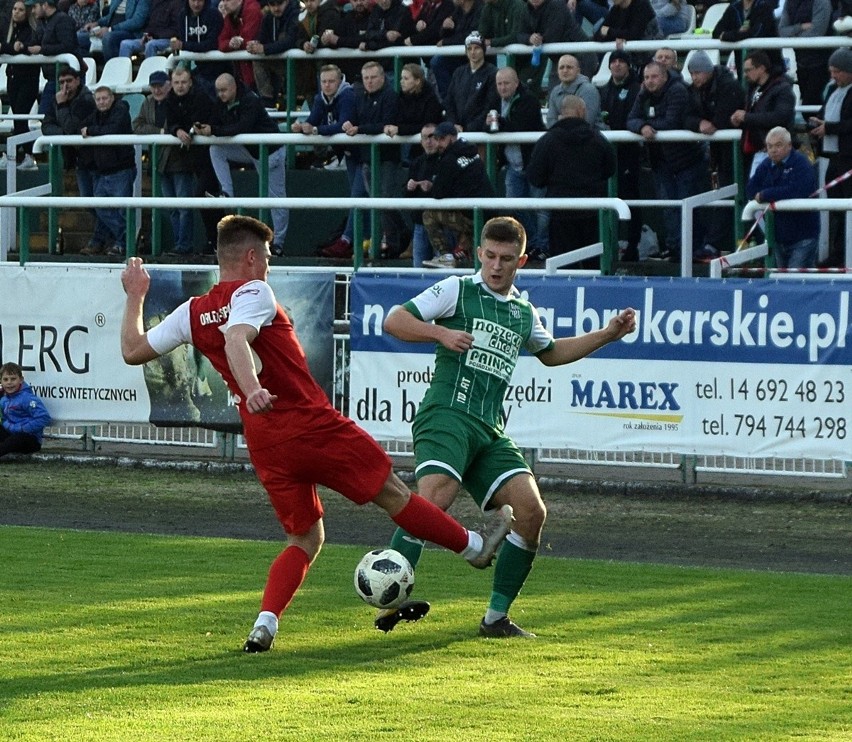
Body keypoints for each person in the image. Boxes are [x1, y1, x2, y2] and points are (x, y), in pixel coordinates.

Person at [119, 214, 513, 651]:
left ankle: (265, 623)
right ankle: (474, 546)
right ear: (251, 258)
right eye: (266, 258)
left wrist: (136, 295)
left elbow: (133, 350)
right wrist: (252, 389)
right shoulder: (254, 291)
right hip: (311, 424)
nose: (268, 267)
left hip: (266, 443)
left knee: (305, 537)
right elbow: (236, 338)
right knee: (394, 494)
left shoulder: (193, 312)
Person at [381, 216, 637, 637]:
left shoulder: (523, 311)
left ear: (521, 260)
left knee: (532, 512)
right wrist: (440, 334)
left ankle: (496, 619)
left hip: (489, 429)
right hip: (447, 413)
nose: (496, 266)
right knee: (434, 497)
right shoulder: (456, 289)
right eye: (490, 256)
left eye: (506, 259)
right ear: (479, 253)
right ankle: (390, 597)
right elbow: (395, 320)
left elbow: (551, 353)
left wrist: (608, 334)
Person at [194, 73, 289, 256]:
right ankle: (227, 192)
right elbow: (215, 121)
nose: (220, 95)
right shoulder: (222, 102)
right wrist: (202, 127)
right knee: (216, 148)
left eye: (224, 90)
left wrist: (213, 130)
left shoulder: (250, 101)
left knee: (276, 199)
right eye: (218, 91)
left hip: (270, 153)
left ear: (234, 87)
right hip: (251, 151)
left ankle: (279, 243)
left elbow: (241, 127)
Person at [627, 60, 706, 262]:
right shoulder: (644, 93)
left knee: (688, 207)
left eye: (654, 77)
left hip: (686, 161)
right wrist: (642, 126)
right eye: (646, 77)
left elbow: (671, 122)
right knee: (669, 208)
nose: (650, 81)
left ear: (664, 76)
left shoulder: (678, 90)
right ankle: (675, 250)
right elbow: (631, 120)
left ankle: (691, 251)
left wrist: (645, 125)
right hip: (661, 162)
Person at [527, 95, 616, 261]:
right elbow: (610, 169)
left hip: (561, 212)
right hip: (593, 210)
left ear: (561, 114)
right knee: (595, 267)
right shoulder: (598, 139)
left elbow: (535, 177)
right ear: (582, 111)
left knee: (563, 268)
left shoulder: (548, 141)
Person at [479, 66, 548, 260]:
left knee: (541, 208)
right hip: (512, 165)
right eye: (499, 83)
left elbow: (520, 127)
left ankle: (543, 246)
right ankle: (534, 243)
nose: (502, 87)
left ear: (516, 83)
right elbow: (484, 125)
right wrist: (489, 123)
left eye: (506, 83)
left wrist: (499, 122)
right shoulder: (494, 101)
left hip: (534, 163)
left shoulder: (529, 100)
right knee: (514, 206)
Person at [340, 60, 407, 259]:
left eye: (373, 77)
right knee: (376, 203)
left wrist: (359, 129)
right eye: (366, 78)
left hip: (386, 158)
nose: (369, 81)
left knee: (384, 201)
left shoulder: (390, 97)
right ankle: (397, 239)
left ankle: (396, 241)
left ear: (382, 77)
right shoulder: (361, 97)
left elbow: (385, 123)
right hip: (367, 157)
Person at [41, 65, 108, 255]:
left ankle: (105, 240)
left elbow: (73, 129)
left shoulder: (86, 100)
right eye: (61, 82)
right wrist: (63, 129)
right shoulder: (59, 99)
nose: (65, 86)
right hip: (79, 161)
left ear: (78, 80)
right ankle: (104, 239)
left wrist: (61, 107)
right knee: (90, 203)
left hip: (95, 160)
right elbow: (46, 126)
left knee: (99, 204)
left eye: (69, 81)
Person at [133, 69, 195, 257]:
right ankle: (179, 245)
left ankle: (184, 246)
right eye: (154, 86)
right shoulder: (147, 103)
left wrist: (165, 132)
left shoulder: (177, 102)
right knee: (172, 207)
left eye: (161, 86)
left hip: (180, 160)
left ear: (169, 85)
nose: (157, 90)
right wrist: (160, 132)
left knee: (184, 207)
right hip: (160, 162)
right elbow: (137, 125)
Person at [421, 120, 496, 268]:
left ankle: (446, 256)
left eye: (442, 139)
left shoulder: (449, 159)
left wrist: (432, 186)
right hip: (487, 214)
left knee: (428, 215)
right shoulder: (471, 152)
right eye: (436, 139)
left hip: (471, 217)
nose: (438, 143)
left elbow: (438, 193)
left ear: (452, 138)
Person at [162, 64, 220, 255]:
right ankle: (213, 242)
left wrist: (190, 130)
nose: (180, 86)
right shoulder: (169, 100)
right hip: (189, 159)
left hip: (210, 157)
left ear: (190, 82)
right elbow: (171, 122)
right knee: (200, 199)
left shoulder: (201, 98)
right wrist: (177, 130)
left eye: (183, 82)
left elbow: (204, 120)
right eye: (176, 82)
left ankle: (216, 241)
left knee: (205, 197)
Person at [745, 126, 820, 268]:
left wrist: (765, 194)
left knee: (795, 283)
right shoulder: (766, 164)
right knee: (780, 281)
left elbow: (798, 190)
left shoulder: (801, 163)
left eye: (778, 145)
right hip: (778, 237)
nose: (773, 150)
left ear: (789, 146)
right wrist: (767, 194)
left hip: (803, 236)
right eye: (770, 146)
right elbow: (750, 189)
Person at [808, 48, 852, 268]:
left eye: (837, 71)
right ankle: (838, 252)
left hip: (848, 160)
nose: (833, 76)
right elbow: (826, 115)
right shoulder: (833, 90)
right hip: (834, 159)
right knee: (836, 210)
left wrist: (830, 128)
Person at [81, 85, 136, 257]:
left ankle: (123, 242)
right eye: (98, 99)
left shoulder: (120, 110)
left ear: (112, 98)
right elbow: (81, 125)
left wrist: (91, 131)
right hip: (102, 171)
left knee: (120, 209)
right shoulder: (95, 115)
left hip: (121, 169)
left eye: (105, 98)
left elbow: (114, 128)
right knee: (101, 208)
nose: (102, 102)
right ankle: (124, 240)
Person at [599, 49, 642, 261]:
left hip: (631, 154)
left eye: (621, 61)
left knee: (632, 199)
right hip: (608, 153)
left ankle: (633, 245)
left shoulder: (636, 89)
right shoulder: (604, 90)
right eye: (613, 61)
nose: (617, 65)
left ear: (628, 65)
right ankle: (609, 244)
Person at [730, 50, 796, 177]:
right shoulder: (753, 89)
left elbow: (780, 117)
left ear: (761, 68)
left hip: (775, 153)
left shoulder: (782, 89)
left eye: (748, 70)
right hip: (756, 151)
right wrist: (739, 121)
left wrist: (746, 117)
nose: (745, 75)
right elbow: (755, 118)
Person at [1, 0, 40, 171]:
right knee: (17, 117)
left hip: (28, 80)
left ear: (27, 12)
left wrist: (11, 47)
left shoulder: (31, 30)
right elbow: (10, 47)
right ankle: (18, 156)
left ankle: (25, 155)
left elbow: (25, 48)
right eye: (15, 9)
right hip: (12, 77)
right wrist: (11, 47)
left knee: (20, 118)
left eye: (20, 10)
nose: (16, 12)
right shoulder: (9, 30)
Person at [245, 0, 299, 107]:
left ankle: (267, 100)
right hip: (281, 65)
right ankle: (266, 100)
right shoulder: (268, 18)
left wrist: (264, 48)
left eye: (279, 4)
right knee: (257, 59)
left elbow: (290, 41)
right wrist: (255, 44)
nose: (276, 8)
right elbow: (262, 37)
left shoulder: (296, 15)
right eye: (272, 4)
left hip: (299, 67)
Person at [26, 0, 76, 115]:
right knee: (44, 115)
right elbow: (34, 43)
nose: (32, 11)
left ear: (45, 5)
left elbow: (68, 46)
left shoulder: (63, 20)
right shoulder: (42, 23)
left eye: (34, 7)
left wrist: (42, 50)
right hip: (52, 77)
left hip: (66, 78)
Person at [779, 0, 832, 106]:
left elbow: (817, 31)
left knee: (811, 103)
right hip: (801, 63)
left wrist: (793, 35)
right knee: (808, 105)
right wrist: (801, 27)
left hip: (822, 63)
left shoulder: (821, 2)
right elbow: (782, 31)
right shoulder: (789, 2)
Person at [168, 0, 226, 97]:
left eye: (199, 0)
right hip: (199, 68)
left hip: (219, 68)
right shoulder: (182, 16)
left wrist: (184, 45)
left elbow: (212, 44)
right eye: (193, 0)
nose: (196, 4)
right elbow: (183, 40)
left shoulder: (214, 14)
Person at [428, 0, 483, 103]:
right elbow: (444, 34)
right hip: (459, 58)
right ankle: (449, 102)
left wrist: (446, 42)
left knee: (438, 61)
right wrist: (445, 28)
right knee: (437, 62)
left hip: (477, 59)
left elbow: (472, 35)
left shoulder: (481, 10)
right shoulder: (457, 11)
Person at [443, 31, 496, 131]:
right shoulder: (458, 72)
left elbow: (490, 105)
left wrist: (470, 128)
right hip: (457, 130)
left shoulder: (492, 73)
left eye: (477, 48)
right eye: (469, 48)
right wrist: (453, 124)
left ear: (483, 50)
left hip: (479, 132)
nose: (473, 52)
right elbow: (449, 102)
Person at [404, 123, 441, 266]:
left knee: (444, 274)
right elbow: (406, 195)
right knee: (418, 271)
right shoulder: (417, 162)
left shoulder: (446, 160)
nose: (429, 142)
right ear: (421, 141)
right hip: (420, 224)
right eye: (425, 138)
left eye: (432, 137)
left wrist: (432, 187)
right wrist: (409, 187)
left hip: (441, 226)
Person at [712, 0, 782, 75]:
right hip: (742, 68)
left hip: (768, 68)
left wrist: (729, 35)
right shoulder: (734, 7)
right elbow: (716, 32)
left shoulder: (765, 7)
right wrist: (739, 33)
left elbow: (756, 33)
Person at [0, 362, 51, 460]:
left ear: (21, 380)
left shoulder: (27, 398)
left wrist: (22, 428)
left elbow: (44, 418)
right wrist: (9, 426)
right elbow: (3, 419)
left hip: (30, 439)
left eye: (13, 379)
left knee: (16, 439)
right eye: (5, 379)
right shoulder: (3, 400)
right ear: (1, 381)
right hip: (11, 434)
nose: (9, 382)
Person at [545, 53, 602, 129]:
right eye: (561, 68)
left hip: (591, 137)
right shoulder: (555, 91)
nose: (565, 71)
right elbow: (550, 121)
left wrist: (561, 120)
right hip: (561, 137)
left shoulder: (589, 90)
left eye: (569, 67)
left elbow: (587, 122)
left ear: (578, 71)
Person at [83, 0, 151, 61]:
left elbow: (137, 22)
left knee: (108, 37)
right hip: (111, 29)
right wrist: (96, 23)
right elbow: (109, 17)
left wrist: (110, 29)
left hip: (130, 32)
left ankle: (113, 70)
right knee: (79, 37)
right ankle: (86, 70)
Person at [217, 0, 263, 90]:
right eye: (223, 0)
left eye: (228, 0)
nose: (224, 4)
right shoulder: (230, 15)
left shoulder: (252, 10)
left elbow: (248, 39)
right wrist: (230, 44)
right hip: (244, 70)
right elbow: (221, 42)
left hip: (258, 69)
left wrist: (236, 42)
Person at [117, 0, 181, 58]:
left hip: (169, 40)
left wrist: (155, 36)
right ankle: (122, 70)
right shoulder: (156, 2)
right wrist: (147, 34)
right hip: (152, 37)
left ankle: (149, 70)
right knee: (125, 44)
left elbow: (175, 30)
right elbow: (150, 24)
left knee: (151, 45)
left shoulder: (177, 4)